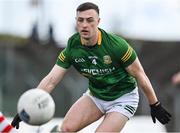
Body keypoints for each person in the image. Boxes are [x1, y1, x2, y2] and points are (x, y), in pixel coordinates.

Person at [11, 2, 171, 132]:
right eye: (80, 20)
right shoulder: (72, 47)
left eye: (90, 20)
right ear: (76, 22)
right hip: (96, 96)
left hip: (123, 98)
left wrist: (154, 104)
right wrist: (28, 105)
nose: (84, 25)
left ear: (98, 22)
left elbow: (139, 74)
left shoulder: (116, 45)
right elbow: (51, 79)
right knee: (65, 129)